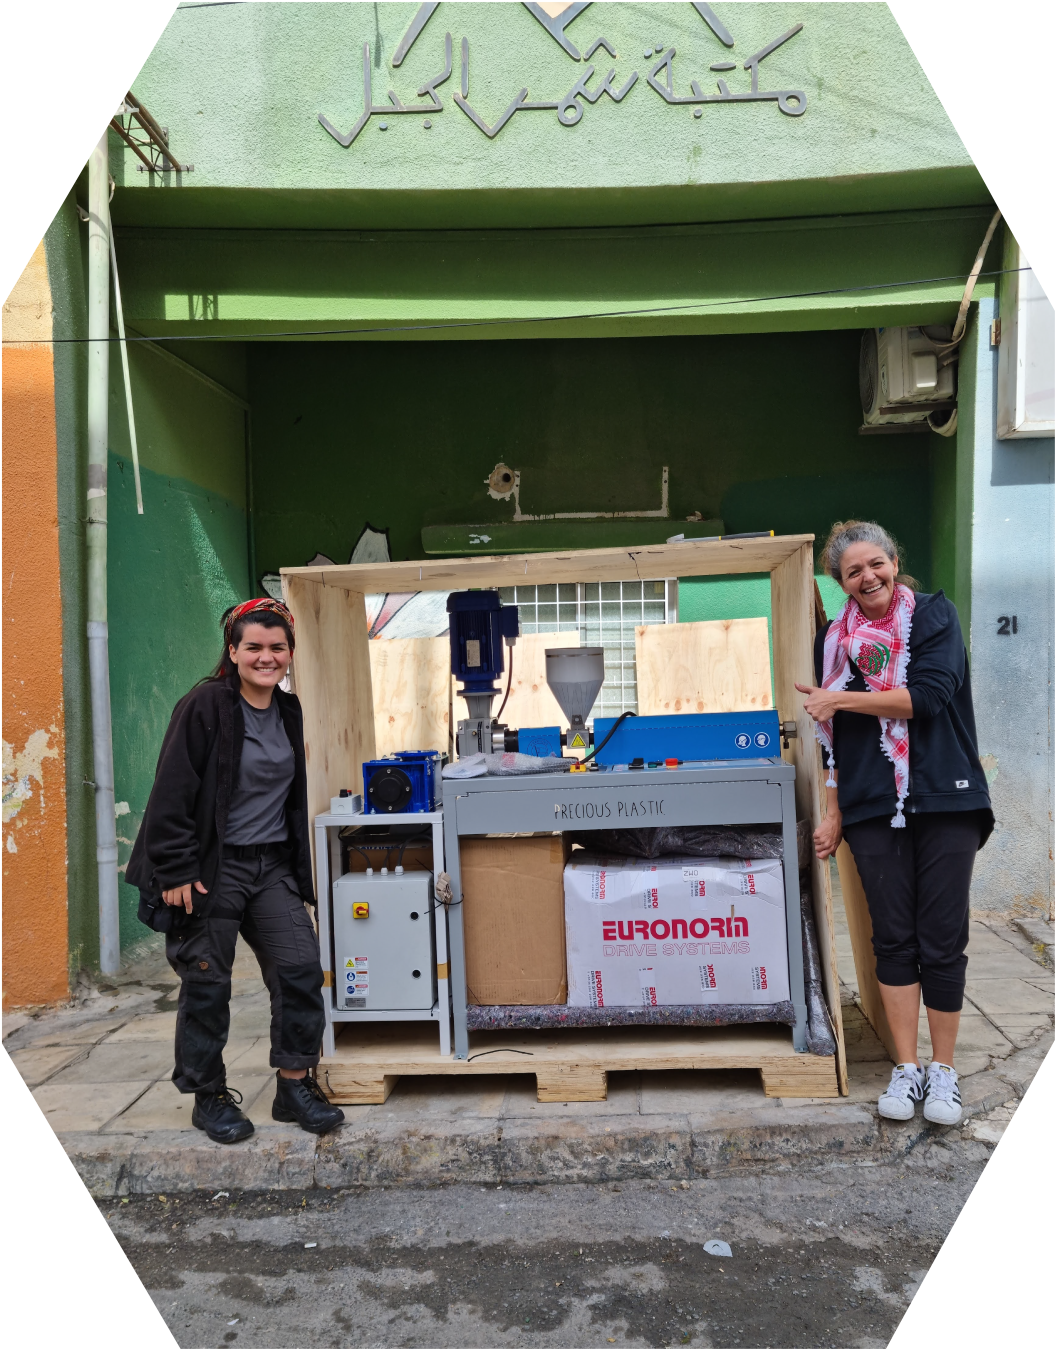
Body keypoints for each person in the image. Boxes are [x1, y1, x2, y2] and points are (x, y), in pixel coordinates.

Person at [795, 521, 993, 1127]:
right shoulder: (835, 643)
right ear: (841, 583)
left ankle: (945, 1071)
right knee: (893, 938)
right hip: (873, 802)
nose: (868, 577)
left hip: (944, 795)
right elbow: (834, 742)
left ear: (893, 560)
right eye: (853, 571)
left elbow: (928, 696)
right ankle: (907, 1069)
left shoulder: (933, 616)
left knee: (942, 936)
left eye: (875, 563)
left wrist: (841, 697)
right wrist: (832, 811)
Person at [127, 598, 344, 1143]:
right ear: (233, 651)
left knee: (299, 967)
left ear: (290, 653)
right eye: (254, 647)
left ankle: (294, 1086)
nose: (266, 657)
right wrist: (175, 869)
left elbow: (290, 799)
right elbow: (172, 791)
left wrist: (297, 871)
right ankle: (208, 1096)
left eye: (277, 648)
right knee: (207, 983)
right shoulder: (205, 706)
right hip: (209, 870)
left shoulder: (288, 710)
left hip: (269, 866)